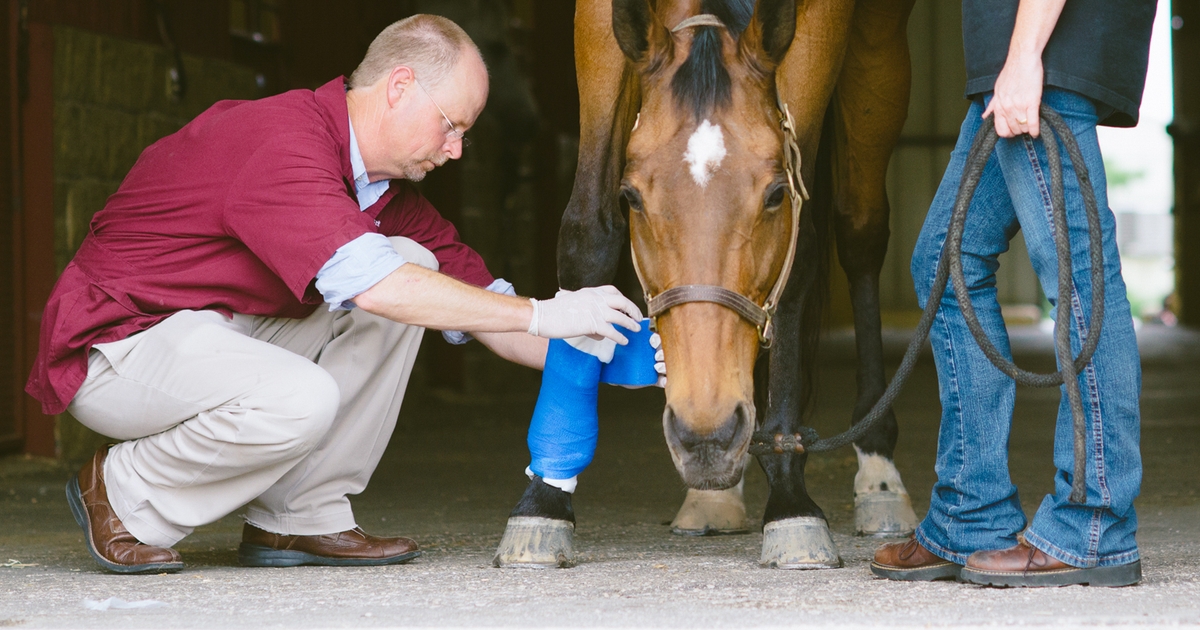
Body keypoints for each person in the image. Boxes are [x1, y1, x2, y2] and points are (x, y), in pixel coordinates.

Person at [27, 15, 647, 574]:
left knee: (416, 266)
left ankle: (301, 516)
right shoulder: (281, 140)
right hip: (119, 346)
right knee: (316, 378)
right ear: (399, 86)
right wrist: (546, 312)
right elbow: (382, 289)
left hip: (215, 336)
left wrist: (633, 360)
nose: (456, 150)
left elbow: (490, 313)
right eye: (451, 125)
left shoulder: (387, 196)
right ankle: (125, 491)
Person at [871, 0, 1154, 587]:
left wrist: (1024, 56)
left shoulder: (1031, 59)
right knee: (947, 266)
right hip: (1018, 61)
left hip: (1043, 58)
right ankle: (970, 516)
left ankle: (1093, 526)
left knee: (1082, 282)